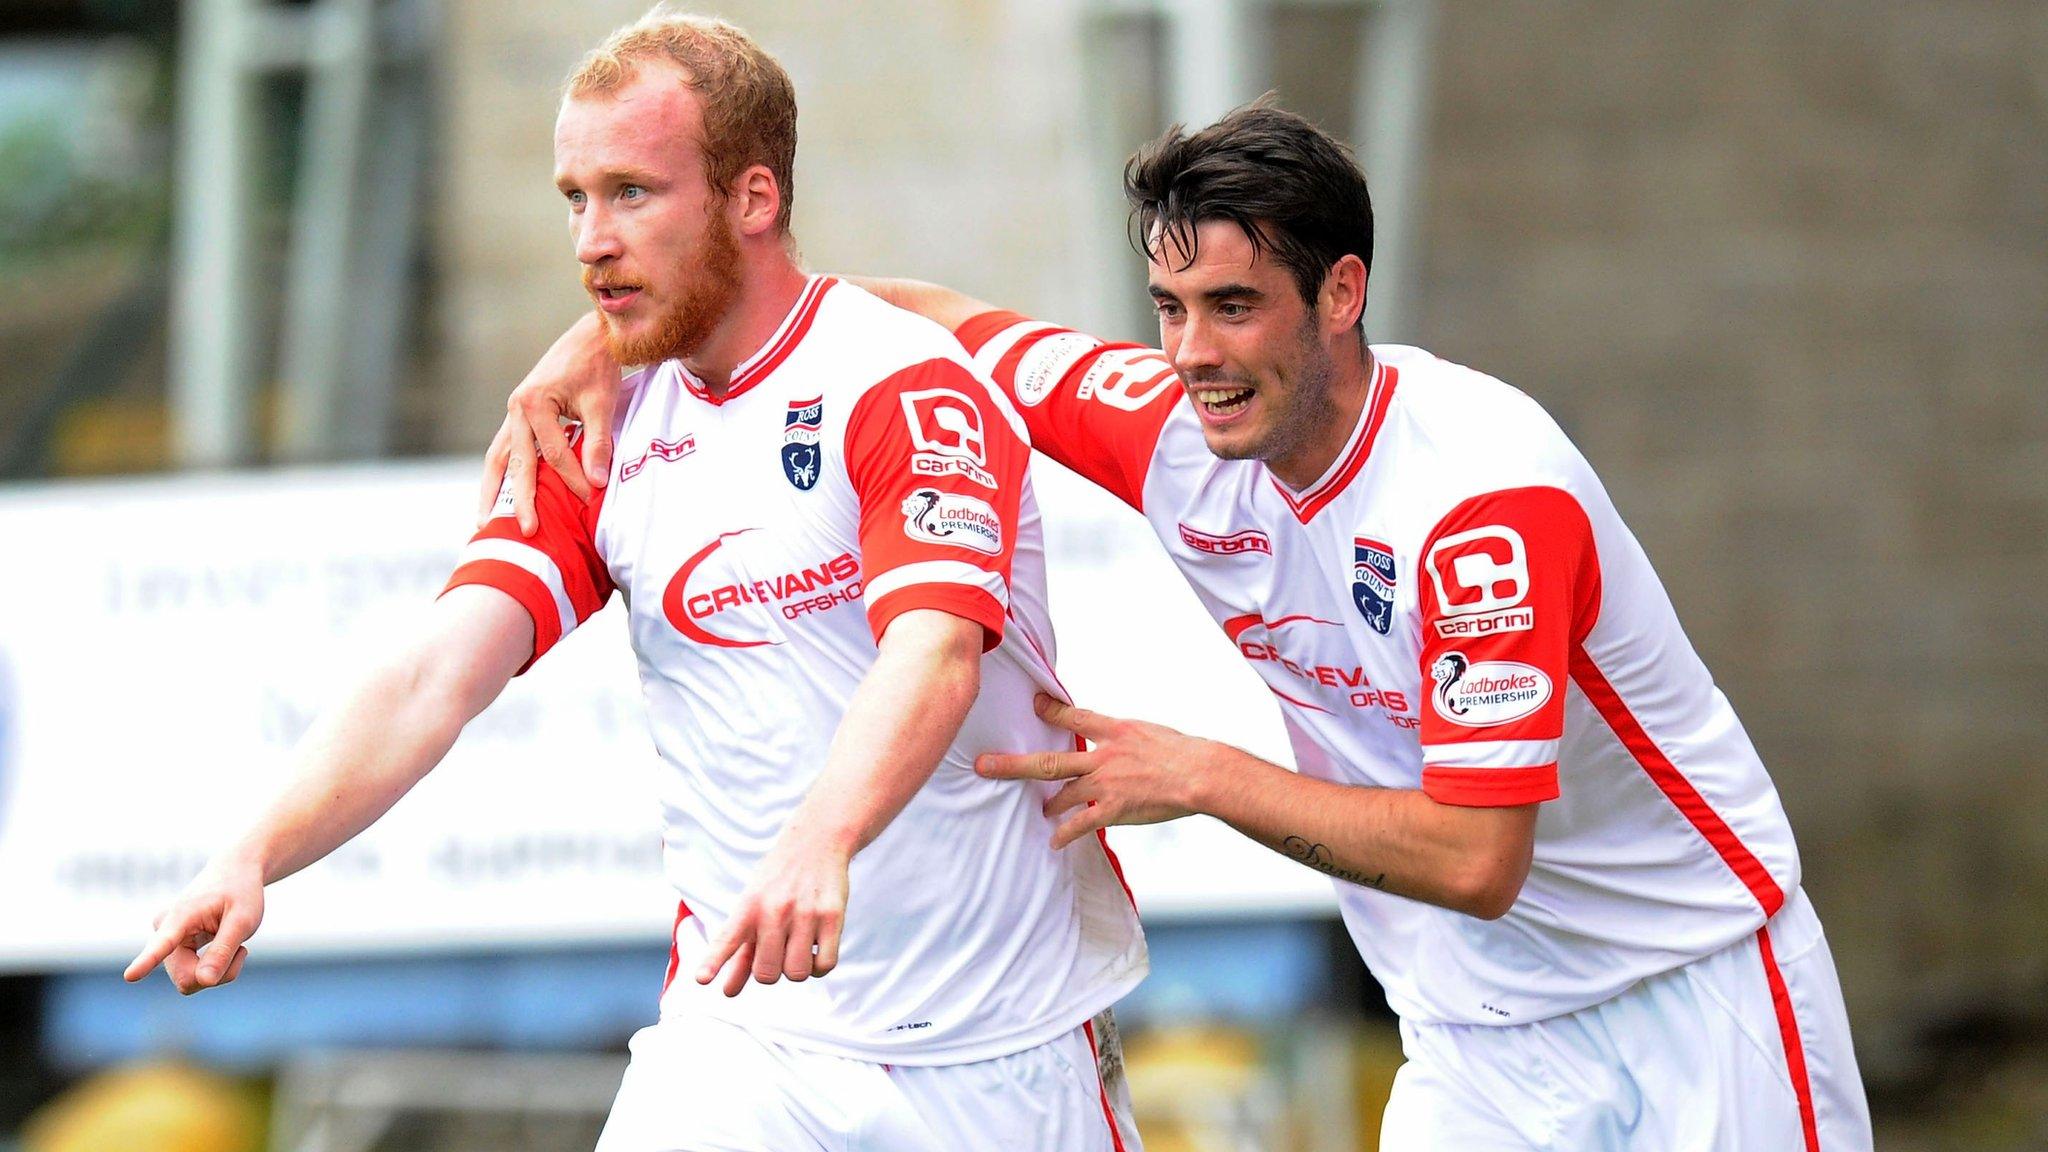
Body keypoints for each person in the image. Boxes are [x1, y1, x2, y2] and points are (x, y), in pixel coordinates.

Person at [491, 103, 1876, 1150]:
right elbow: (898, 317)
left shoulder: (1481, 506)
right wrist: (603, 337)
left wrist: (1201, 775)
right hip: (1470, 1033)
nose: (1193, 354)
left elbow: (1476, 855)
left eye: (1234, 308)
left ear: (1344, 294)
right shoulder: (1169, 427)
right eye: (1168, 308)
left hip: (1696, 996)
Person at [126, 13, 1146, 1152]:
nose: (590, 240)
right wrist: (252, 851)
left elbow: (936, 652)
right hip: (746, 1040)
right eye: (573, 197)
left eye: (630, 193)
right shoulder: (596, 425)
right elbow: (436, 674)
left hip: (994, 1052)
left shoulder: (902, 384)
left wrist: (821, 838)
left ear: (751, 199)